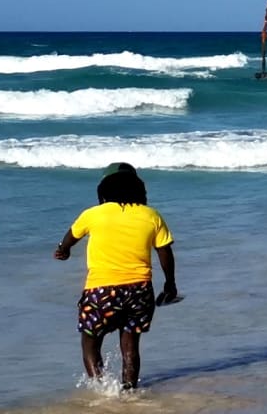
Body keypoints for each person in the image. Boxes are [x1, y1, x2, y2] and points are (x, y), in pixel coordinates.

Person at [54, 162, 178, 390]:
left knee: (90, 342)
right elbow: (165, 252)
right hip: (140, 290)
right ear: (139, 189)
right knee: (130, 345)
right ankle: (129, 390)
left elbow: (69, 238)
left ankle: (103, 391)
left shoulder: (92, 215)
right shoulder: (152, 215)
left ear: (104, 189)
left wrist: (63, 250)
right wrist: (170, 284)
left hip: (101, 291)